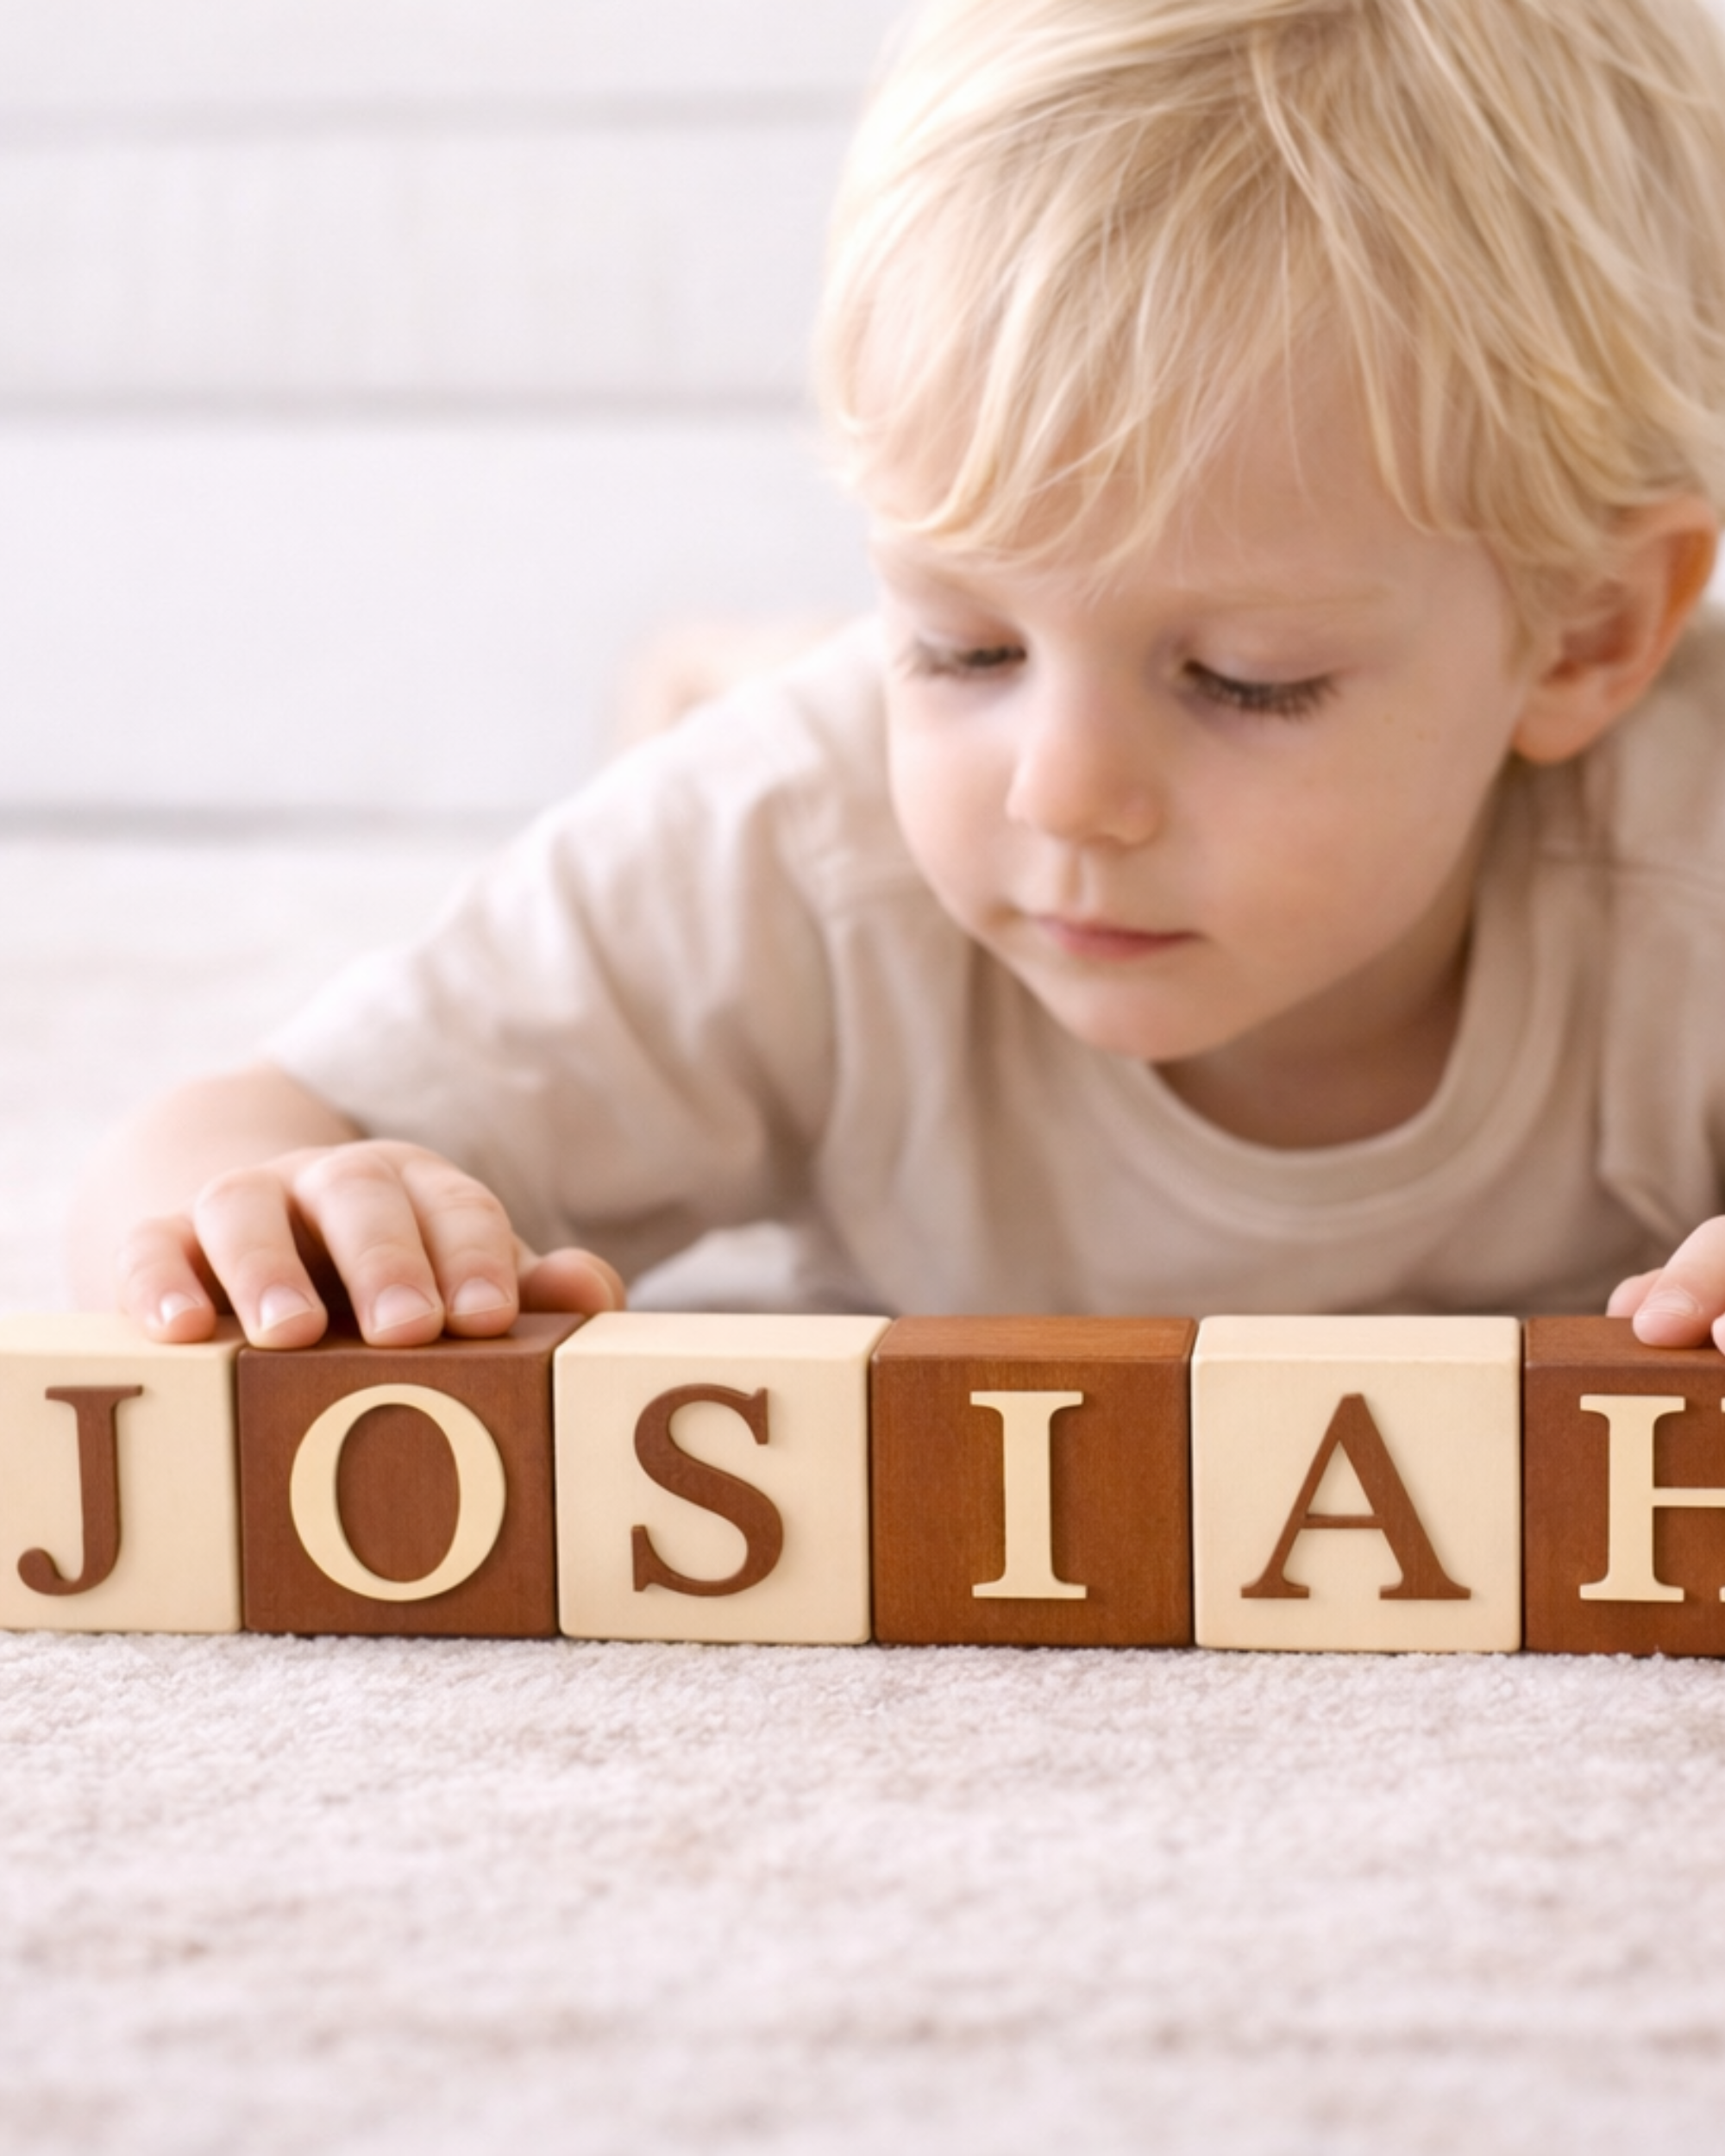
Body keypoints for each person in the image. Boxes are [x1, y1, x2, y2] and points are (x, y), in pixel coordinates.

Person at [67, 0, 1725, 1353]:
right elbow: (220, 1137)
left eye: (1244, 678)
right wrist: (286, 1219)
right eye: (962, 642)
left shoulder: (1684, 858)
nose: (1062, 791)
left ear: (1584, 636)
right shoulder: (803, 843)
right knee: (763, 752)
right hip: (792, 796)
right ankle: (726, 674)